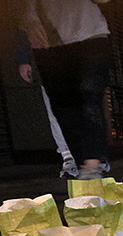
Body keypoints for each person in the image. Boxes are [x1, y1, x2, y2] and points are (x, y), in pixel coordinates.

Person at [15, 0, 113, 180]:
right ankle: (81, 162)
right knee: (63, 108)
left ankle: (92, 164)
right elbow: (20, 8)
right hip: (47, 43)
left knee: (89, 97)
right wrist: (24, 54)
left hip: (89, 35)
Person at [13, 29, 77, 178]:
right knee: (56, 111)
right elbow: (24, 24)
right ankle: (67, 155)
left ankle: (90, 156)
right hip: (48, 57)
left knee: (81, 107)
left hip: (75, 51)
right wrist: (24, 59)